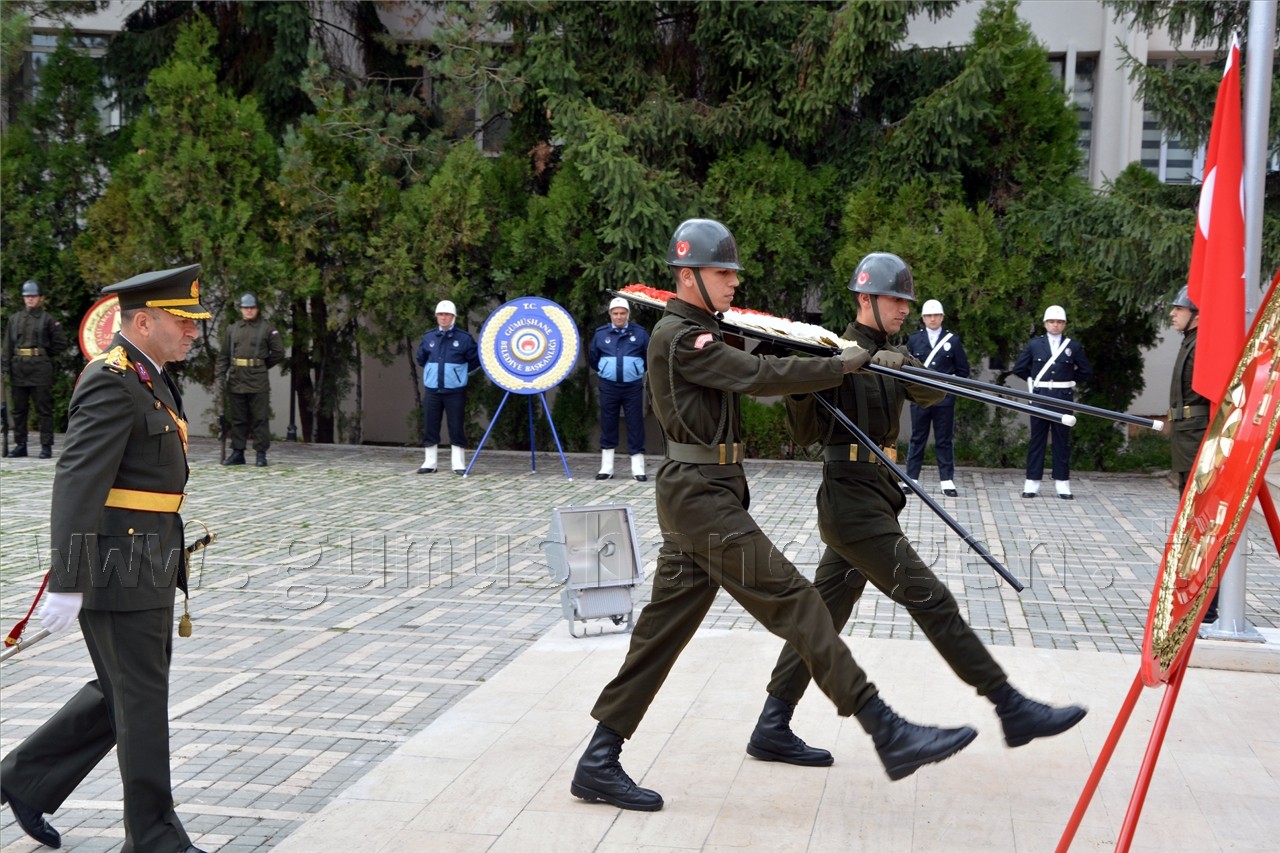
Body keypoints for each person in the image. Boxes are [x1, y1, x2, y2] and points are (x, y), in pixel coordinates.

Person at [570, 219, 980, 814]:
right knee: (798, 601)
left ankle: (598, 761)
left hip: (711, 492)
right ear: (687, 278)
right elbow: (756, 377)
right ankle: (886, 728)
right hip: (699, 498)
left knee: (659, 635)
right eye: (721, 274)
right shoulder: (682, 337)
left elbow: (757, 354)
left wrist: (795, 344)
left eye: (734, 274)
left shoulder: (710, 328)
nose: (734, 283)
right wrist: (842, 363)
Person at [746, 253, 1086, 769]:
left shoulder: (890, 354)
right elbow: (805, 434)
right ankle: (1009, 705)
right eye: (895, 300)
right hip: (850, 501)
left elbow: (931, 394)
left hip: (877, 494)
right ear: (865, 299)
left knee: (823, 615)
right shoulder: (828, 353)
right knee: (932, 598)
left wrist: (900, 363)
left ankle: (772, 725)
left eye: (907, 301)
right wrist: (811, 376)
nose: (905, 309)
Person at [0, 263, 210, 853]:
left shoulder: (152, 375)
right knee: (141, 702)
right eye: (182, 321)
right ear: (142, 322)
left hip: (149, 560)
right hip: (117, 568)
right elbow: (76, 484)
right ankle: (155, 839)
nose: (193, 332)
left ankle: (23, 780)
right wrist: (67, 580)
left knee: (125, 691)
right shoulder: (110, 378)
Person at [1011, 305, 1093, 499]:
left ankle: (1062, 482)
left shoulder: (1073, 346)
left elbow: (1086, 370)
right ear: (1045, 324)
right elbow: (1019, 368)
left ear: (1064, 324)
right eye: (1051, 322)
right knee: (1037, 440)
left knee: (1061, 441)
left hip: (1063, 399)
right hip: (1039, 398)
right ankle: (1032, 482)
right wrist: (1034, 383)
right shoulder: (1034, 344)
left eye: (1059, 322)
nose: (1055, 325)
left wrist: (1069, 382)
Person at [1168, 285, 1215, 620]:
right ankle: (1198, 595)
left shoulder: (1203, 345)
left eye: (1179, 309)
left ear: (1196, 315)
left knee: (1201, 521)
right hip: (1187, 437)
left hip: (1198, 440)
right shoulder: (1190, 341)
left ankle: (1209, 605)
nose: (1173, 313)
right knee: (1191, 520)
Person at [904, 298, 970, 496]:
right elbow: (906, 368)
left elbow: (963, 370)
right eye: (929, 316)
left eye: (936, 315)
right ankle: (911, 478)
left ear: (942, 317)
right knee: (917, 438)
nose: (932, 319)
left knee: (944, 439)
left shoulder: (953, 340)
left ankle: (947, 480)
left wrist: (950, 387)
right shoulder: (915, 340)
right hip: (921, 397)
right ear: (923, 318)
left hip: (944, 397)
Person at [216, 293, 285, 467]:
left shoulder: (267, 329)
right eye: (245, 308)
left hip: (257, 380)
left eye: (252, 308)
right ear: (241, 309)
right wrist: (220, 374)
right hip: (237, 378)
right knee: (238, 418)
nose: (248, 311)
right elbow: (224, 355)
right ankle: (238, 452)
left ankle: (260, 453)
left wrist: (260, 366)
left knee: (260, 418)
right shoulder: (232, 329)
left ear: (257, 309)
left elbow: (278, 353)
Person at [2, 279, 69, 459]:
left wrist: (44, 355)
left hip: (40, 368)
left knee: (43, 409)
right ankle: (20, 444)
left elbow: (60, 344)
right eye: (27, 296)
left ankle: (46, 445)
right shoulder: (15, 319)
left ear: (41, 298)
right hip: (19, 367)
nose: (30, 299)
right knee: (19, 409)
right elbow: (7, 345)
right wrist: (4, 366)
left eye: (33, 296)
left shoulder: (48, 320)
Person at [415, 299, 480, 474]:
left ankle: (458, 464)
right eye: (441, 314)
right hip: (433, 390)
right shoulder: (428, 337)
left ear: (453, 317)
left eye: (447, 315)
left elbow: (475, 361)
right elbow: (421, 358)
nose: (444, 318)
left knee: (456, 424)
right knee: (430, 424)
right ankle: (430, 462)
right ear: (436, 316)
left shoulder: (464, 339)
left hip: (455, 391)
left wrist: (459, 375)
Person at [590, 296, 650, 481]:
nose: (619, 317)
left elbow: (648, 357)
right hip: (609, 386)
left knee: (635, 424)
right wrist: (607, 370)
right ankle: (607, 468)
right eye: (615, 313)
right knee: (608, 423)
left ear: (628, 314)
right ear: (609, 314)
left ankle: (638, 468)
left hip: (632, 387)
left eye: (622, 313)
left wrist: (634, 371)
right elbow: (593, 357)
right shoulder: (601, 334)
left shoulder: (639, 333)